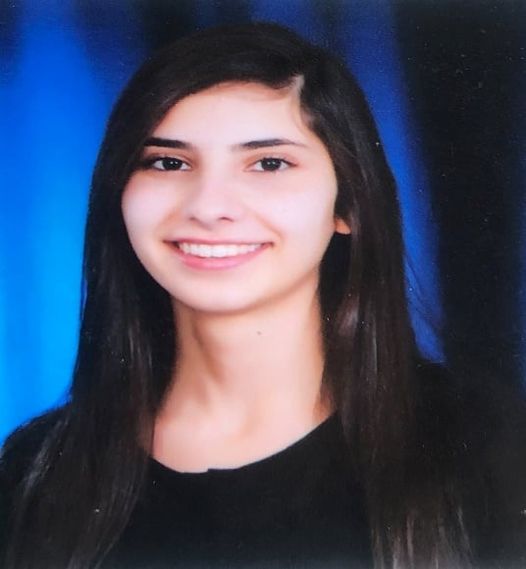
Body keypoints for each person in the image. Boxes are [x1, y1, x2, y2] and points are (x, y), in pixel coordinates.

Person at [1, 22, 525, 569]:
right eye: (168, 162)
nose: (209, 207)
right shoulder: (34, 474)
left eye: (269, 163)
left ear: (348, 204)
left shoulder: (488, 452)